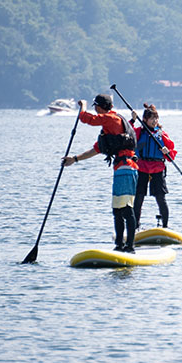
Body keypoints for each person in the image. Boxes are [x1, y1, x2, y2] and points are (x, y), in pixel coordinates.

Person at [63, 94, 139, 253]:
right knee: (117, 210)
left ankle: (130, 247)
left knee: (126, 208)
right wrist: (74, 159)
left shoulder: (112, 119)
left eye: (95, 107)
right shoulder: (109, 129)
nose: (95, 110)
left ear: (100, 107)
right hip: (120, 169)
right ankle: (119, 245)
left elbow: (86, 119)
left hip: (127, 167)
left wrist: (82, 105)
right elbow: (96, 149)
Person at [130, 103, 176, 229]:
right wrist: (133, 120)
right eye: (152, 118)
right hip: (142, 168)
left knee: (161, 199)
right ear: (145, 119)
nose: (155, 121)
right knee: (138, 199)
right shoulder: (139, 132)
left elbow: (171, 157)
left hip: (157, 168)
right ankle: (135, 226)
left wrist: (168, 152)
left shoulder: (162, 135)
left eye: (156, 118)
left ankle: (165, 227)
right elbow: (127, 135)